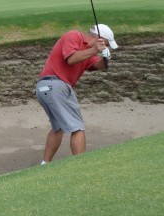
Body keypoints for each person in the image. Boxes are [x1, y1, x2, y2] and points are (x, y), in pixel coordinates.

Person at [35, 24, 118, 165]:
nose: (108, 46)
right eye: (107, 44)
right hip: (56, 85)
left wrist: (105, 58)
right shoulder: (74, 35)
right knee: (77, 127)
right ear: (101, 39)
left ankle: (45, 164)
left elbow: (99, 66)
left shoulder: (87, 52)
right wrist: (94, 50)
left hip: (45, 88)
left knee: (58, 127)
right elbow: (71, 58)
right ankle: (80, 167)